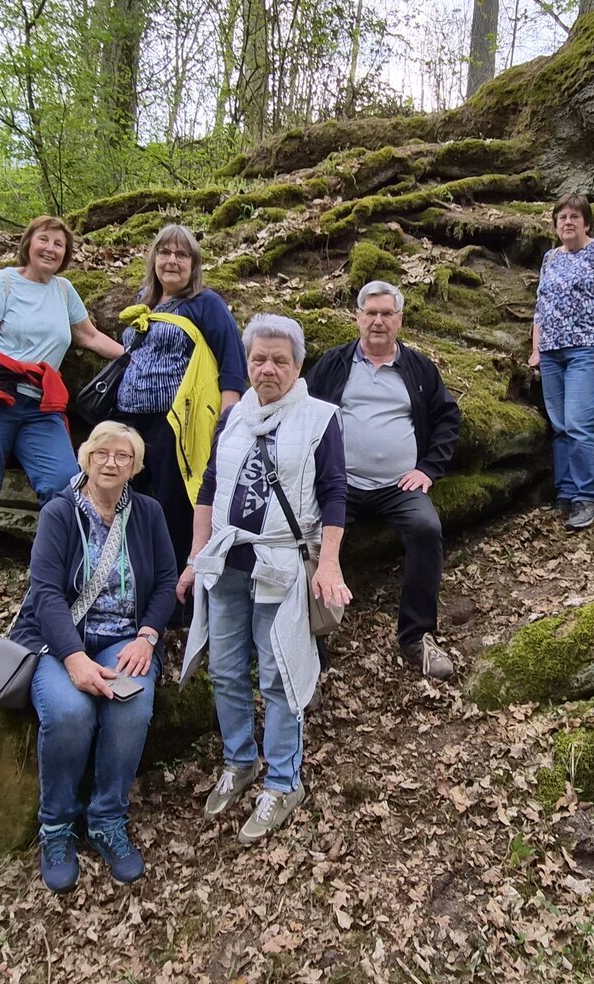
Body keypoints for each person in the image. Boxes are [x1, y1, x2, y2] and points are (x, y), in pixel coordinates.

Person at [177, 314, 350, 845]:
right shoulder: (234, 416)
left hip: (281, 564)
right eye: (258, 359)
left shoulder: (320, 419)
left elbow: (334, 493)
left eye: (279, 360)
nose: (267, 369)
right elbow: (209, 486)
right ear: (247, 362)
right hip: (228, 561)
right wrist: (195, 555)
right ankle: (239, 761)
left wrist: (329, 562)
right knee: (225, 669)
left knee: (278, 675)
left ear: (298, 365)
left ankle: (283, 782)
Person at [0, 215, 126, 615]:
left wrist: (134, 358)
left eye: (59, 244)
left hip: (40, 407)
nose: (51, 249)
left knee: (65, 485)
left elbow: (88, 336)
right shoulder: (3, 283)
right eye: (44, 240)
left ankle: (53, 579)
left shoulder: (64, 291)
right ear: (28, 243)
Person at [10, 421, 176, 892]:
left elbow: (167, 580)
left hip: (125, 636)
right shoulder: (60, 512)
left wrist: (147, 636)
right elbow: (45, 592)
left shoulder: (147, 512)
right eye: (102, 453)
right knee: (69, 711)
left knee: (131, 705)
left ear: (135, 466)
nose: (110, 462)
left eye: (123, 456)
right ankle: (57, 826)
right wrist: (73, 658)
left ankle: (106, 819)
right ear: (86, 457)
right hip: (60, 639)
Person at [307, 280, 462, 679]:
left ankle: (416, 637)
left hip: (399, 486)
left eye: (386, 314)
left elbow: (447, 419)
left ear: (400, 320)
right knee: (312, 540)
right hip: (339, 484)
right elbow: (303, 412)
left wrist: (428, 469)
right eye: (371, 313)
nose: (378, 321)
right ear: (358, 317)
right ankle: (311, 646)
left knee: (427, 529)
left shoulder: (418, 367)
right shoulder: (334, 363)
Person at [113, 224, 246, 587]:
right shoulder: (144, 302)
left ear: (193, 264)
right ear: (154, 259)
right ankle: (134, 585)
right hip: (128, 423)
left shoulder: (205, 304)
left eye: (182, 254)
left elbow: (232, 363)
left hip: (175, 426)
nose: (172, 260)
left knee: (173, 507)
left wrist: (227, 422)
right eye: (165, 252)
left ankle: (177, 595)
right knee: (130, 505)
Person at [528, 194, 594, 528]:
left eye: (575, 216)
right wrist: (536, 348)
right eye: (562, 217)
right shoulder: (550, 258)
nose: (568, 222)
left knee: (577, 423)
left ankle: (585, 496)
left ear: (587, 223)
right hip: (551, 352)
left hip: (587, 349)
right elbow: (541, 306)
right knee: (559, 426)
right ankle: (566, 492)